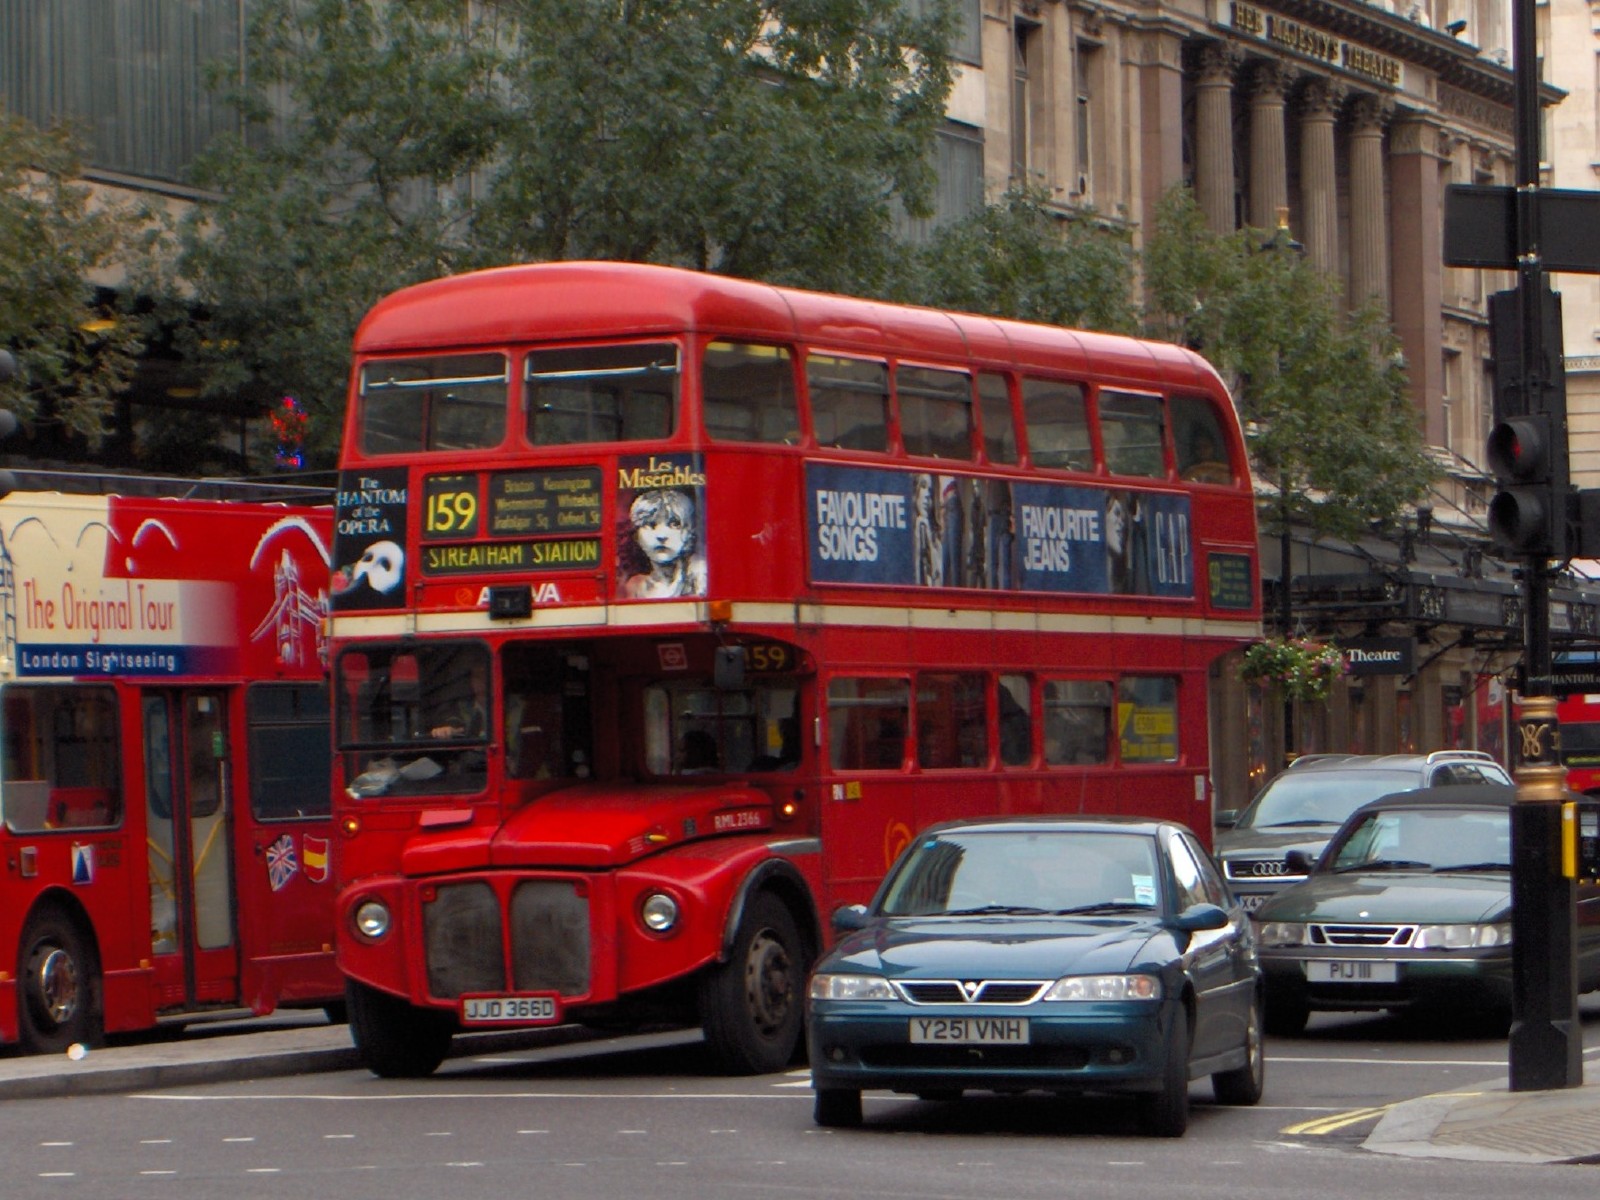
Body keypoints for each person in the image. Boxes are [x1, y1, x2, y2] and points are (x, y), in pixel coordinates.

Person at [620, 488, 708, 599]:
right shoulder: (635, 586)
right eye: (650, 525)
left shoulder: (700, 575)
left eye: (674, 524)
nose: (662, 535)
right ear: (636, 535)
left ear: (689, 532)